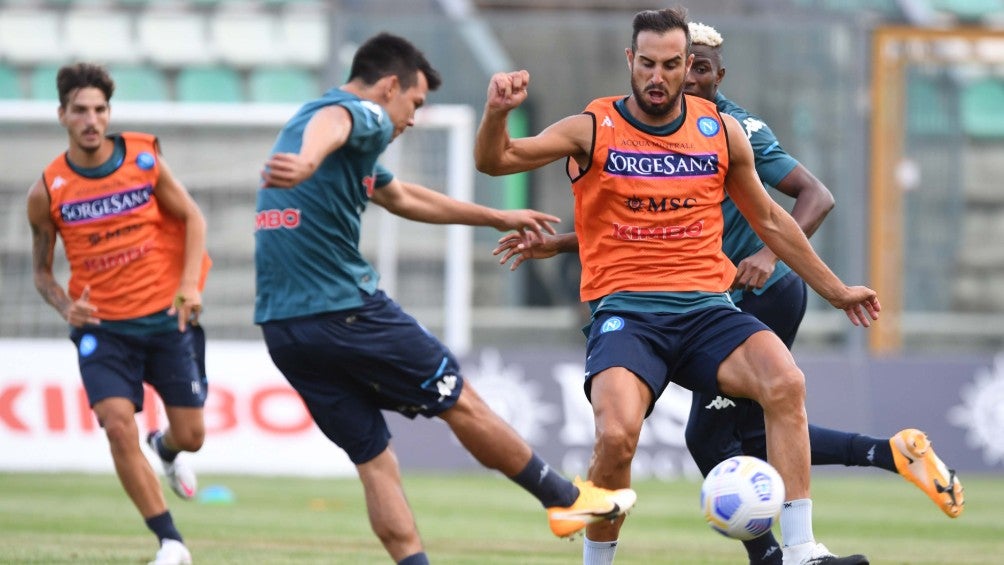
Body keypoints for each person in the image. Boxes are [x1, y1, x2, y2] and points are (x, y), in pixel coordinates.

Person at [491, 20, 965, 565]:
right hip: (638, 310)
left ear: (713, 72)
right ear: (631, 60)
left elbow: (785, 210)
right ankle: (871, 466)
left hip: (733, 298)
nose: (674, 78)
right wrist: (560, 231)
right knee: (651, 437)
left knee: (774, 393)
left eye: (686, 67)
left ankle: (798, 550)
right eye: (657, 64)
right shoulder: (597, 126)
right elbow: (633, 217)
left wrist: (826, 286)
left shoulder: (732, 129)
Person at [253, 32, 636, 565]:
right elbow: (336, 124)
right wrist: (309, 160)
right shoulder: (355, 115)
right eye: (414, 103)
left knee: (375, 459)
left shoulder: (319, 127)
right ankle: (565, 500)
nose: (411, 120)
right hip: (344, 310)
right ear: (390, 87)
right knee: (460, 398)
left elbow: (403, 196)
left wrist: (497, 216)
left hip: (284, 330)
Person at [26, 62, 212, 565]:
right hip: (103, 329)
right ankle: (170, 541)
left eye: (100, 109)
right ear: (62, 114)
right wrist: (66, 304)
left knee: (192, 435)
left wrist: (188, 285)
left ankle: (167, 449)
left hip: (164, 320)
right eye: (80, 110)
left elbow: (192, 216)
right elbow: (42, 273)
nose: (91, 119)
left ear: (109, 113)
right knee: (115, 422)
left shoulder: (144, 157)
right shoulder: (47, 191)